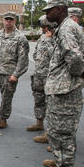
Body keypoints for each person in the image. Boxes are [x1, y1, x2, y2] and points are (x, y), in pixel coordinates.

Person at [39, 0, 84, 167]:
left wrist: (76, 76)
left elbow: (75, 58)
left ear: (60, 9)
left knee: (63, 131)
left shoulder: (67, 28)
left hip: (65, 89)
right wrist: (80, 73)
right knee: (57, 130)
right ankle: (61, 162)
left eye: (49, 10)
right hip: (61, 88)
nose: (47, 14)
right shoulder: (65, 27)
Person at [27, 15, 56, 145]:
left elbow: (56, 55)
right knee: (38, 100)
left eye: (44, 26)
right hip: (39, 74)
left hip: (51, 76)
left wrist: (50, 40)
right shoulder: (42, 37)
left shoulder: (57, 38)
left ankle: (51, 134)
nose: (43, 29)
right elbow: (35, 54)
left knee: (51, 105)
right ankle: (39, 123)